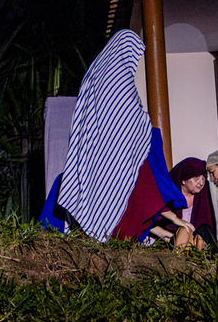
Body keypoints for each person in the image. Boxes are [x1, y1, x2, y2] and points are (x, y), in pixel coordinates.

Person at [39, 30, 184, 242]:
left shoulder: (95, 77)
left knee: (96, 198)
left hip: (94, 159)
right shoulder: (123, 86)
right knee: (121, 196)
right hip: (116, 163)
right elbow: (136, 122)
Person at [152, 157, 216, 248]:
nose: (201, 183)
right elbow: (150, 221)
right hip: (167, 241)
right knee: (184, 230)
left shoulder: (203, 197)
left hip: (193, 244)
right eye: (196, 178)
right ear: (183, 180)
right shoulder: (168, 196)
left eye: (203, 178)